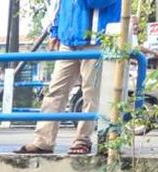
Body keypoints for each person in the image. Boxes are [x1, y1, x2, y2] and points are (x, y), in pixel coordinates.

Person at [17, 0, 120, 154]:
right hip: (68, 41)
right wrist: (56, 31)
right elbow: (60, 6)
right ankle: (43, 141)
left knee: (91, 93)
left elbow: (97, 3)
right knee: (55, 91)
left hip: (95, 40)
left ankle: (82, 140)